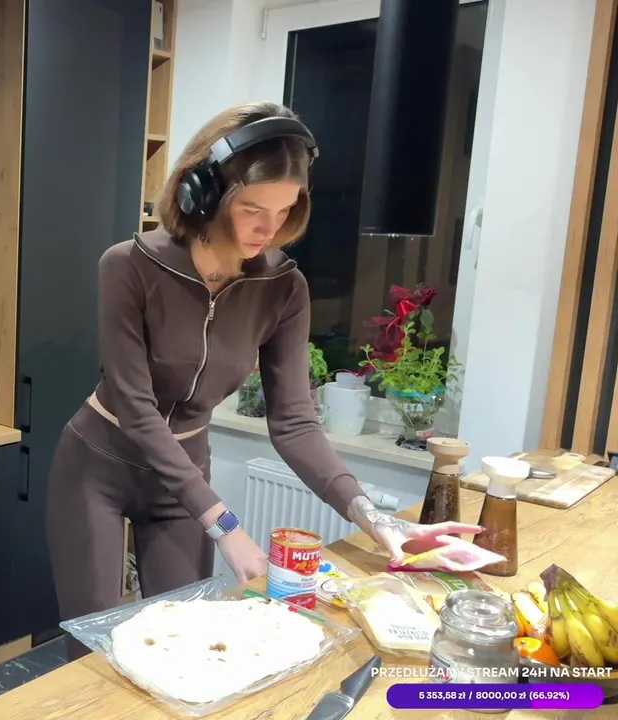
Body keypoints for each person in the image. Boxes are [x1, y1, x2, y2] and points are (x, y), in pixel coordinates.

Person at [45, 101, 478, 656]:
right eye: (252, 208)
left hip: (183, 478)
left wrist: (373, 517)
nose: (268, 228)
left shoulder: (284, 289)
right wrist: (227, 526)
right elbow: (136, 407)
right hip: (98, 467)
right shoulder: (129, 265)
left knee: (181, 644)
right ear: (203, 194)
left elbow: (295, 422)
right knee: (94, 650)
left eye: (285, 210)